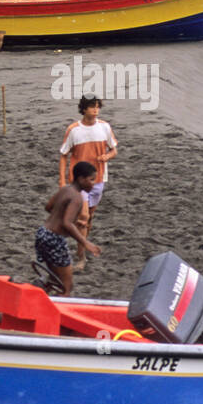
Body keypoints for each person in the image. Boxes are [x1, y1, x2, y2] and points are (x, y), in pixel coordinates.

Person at [59, 96, 117, 270]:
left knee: (89, 219)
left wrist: (107, 156)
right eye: (92, 107)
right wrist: (62, 180)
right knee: (83, 218)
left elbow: (114, 149)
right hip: (79, 183)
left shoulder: (105, 127)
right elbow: (64, 155)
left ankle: (81, 245)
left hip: (98, 180)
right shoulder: (74, 130)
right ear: (84, 109)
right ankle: (81, 258)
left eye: (98, 107)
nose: (95, 110)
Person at [36, 161, 101, 294]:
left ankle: (40, 296)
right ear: (81, 179)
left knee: (54, 279)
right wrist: (85, 242)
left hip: (43, 234)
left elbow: (48, 207)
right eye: (91, 179)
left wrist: (63, 219)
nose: (94, 183)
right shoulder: (77, 198)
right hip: (54, 239)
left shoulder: (65, 189)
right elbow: (67, 223)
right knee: (67, 285)